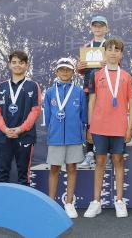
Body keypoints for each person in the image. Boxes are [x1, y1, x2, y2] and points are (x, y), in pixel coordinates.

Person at [83, 37, 132, 218]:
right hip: (99, 127)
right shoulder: (95, 75)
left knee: (119, 161)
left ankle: (119, 201)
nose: (113, 53)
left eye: (117, 50)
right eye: (110, 49)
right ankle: (96, 201)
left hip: (119, 127)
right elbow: (91, 101)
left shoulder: (128, 76)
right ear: (104, 52)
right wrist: (89, 126)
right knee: (100, 163)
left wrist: (129, 128)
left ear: (121, 54)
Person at [44, 58, 87, 218]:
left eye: (68, 70)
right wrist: (51, 133)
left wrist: (80, 133)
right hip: (55, 138)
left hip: (74, 138)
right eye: (61, 69)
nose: (64, 72)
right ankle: (51, 204)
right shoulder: (49, 92)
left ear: (73, 72)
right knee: (54, 169)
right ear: (56, 72)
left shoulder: (79, 92)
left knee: (71, 169)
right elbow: (47, 117)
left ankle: (69, 203)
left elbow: (83, 116)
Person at [0, 50, 42, 185]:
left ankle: (23, 206)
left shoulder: (33, 85)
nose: (17, 65)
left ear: (27, 65)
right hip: (4, 135)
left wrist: (21, 129)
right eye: (14, 62)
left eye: (21, 62)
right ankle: (1, 205)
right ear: (9, 65)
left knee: (23, 175)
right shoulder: (1, 86)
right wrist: (4, 129)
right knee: (2, 173)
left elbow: (36, 111)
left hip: (24, 135)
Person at [77, 15, 109, 168]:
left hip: (106, 88)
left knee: (105, 118)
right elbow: (83, 70)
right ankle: (89, 153)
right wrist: (79, 68)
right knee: (89, 120)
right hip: (89, 88)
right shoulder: (87, 46)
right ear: (91, 28)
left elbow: (119, 65)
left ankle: (104, 152)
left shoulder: (110, 46)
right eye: (95, 26)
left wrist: (107, 63)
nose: (98, 28)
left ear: (106, 29)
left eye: (101, 26)